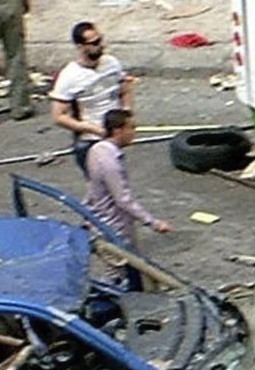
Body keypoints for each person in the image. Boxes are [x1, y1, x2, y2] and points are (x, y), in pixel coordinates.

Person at [50, 22, 135, 171]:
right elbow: (58, 116)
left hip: (114, 138)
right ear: (80, 47)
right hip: (90, 141)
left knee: (117, 180)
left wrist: (126, 114)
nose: (101, 45)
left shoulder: (112, 63)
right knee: (104, 187)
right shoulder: (69, 76)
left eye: (100, 40)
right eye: (95, 43)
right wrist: (93, 129)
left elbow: (125, 89)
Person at [84, 108, 173, 239]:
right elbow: (123, 200)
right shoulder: (110, 162)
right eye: (131, 128)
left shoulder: (96, 150)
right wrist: (154, 223)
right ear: (117, 130)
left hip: (100, 222)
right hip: (114, 228)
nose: (134, 133)